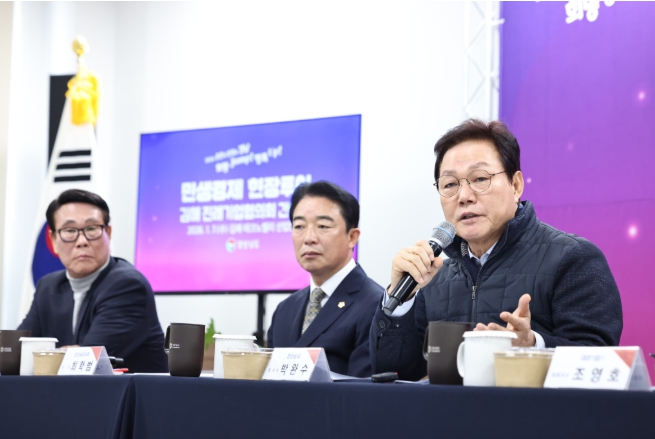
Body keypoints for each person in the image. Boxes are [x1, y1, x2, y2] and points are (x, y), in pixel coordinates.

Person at [370, 119, 623, 381]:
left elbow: (601, 362)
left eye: (480, 178)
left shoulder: (573, 258)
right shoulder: (432, 278)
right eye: (450, 185)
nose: (464, 196)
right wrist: (400, 301)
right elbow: (393, 374)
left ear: (516, 185)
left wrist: (532, 345)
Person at [19, 189, 168, 373]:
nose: (82, 241)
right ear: (53, 240)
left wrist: (44, 356)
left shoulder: (128, 286)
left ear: (108, 234)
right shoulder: (48, 287)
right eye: (70, 231)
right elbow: (18, 352)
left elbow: (84, 361)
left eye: (91, 229)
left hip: (125, 393)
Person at [267, 181, 384, 377]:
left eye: (323, 226)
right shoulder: (284, 310)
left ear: (352, 237)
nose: (309, 238)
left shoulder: (376, 305)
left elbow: (363, 389)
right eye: (299, 226)